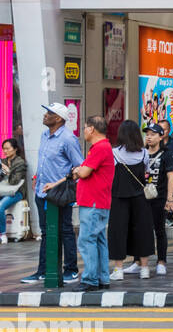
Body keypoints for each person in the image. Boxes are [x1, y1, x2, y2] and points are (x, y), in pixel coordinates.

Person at [23, 104, 82, 285]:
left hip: (60, 193)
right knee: (46, 232)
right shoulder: (44, 135)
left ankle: (71, 270)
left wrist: (64, 186)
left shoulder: (68, 139)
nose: (45, 115)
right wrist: (36, 177)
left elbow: (79, 166)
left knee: (65, 230)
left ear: (59, 118)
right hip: (42, 191)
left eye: (49, 113)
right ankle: (44, 270)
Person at [68, 115, 114, 292]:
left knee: (87, 240)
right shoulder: (103, 147)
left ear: (92, 129)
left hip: (93, 202)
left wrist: (79, 170)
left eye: (85, 127)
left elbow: (84, 172)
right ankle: (102, 278)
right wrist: (79, 170)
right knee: (98, 240)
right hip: (99, 201)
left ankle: (90, 279)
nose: (84, 131)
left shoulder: (100, 148)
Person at [105, 120, 155, 284]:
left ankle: (118, 269)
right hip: (140, 199)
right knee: (143, 231)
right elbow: (146, 173)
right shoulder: (144, 154)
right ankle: (145, 269)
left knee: (117, 232)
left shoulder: (114, 154)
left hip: (119, 198)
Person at [136, 123, 173, 278]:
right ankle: (138, 261)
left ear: (161, 137)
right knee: (140, 230)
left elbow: (171, 176)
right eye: (147, 134)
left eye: (153, 134)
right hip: (142, 198)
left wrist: (170, 198)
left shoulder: (166, 154)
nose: (149, 137)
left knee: (159, 230)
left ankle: (161, 262)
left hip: (159, 198)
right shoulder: (141, 153)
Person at [0, 138, 27, 243]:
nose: (5, 151)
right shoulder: (3, 161)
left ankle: (2, 234)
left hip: (16, 192)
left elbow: (14, 181)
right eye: (4, 149)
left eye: (7, 148)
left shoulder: (20, 163)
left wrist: (8, 171)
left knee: (0, 207)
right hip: (3, 190)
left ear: (15, 149)